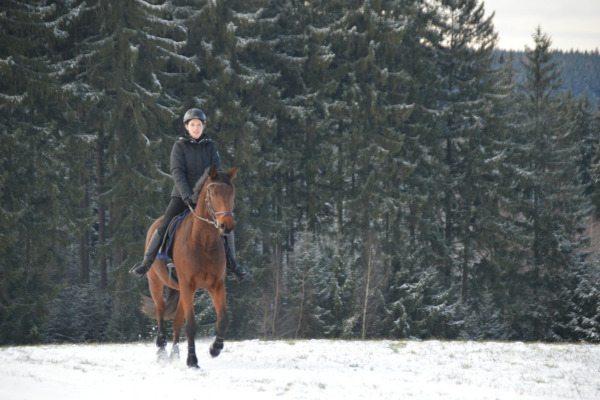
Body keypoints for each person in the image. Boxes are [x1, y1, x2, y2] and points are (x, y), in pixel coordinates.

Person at [130, 108, 250, 282]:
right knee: (164, 225)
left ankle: (233, 267)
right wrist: (187, 196)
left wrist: (209, 195)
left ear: (203, 127)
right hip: (182, 196)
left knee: (225, 224)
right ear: (186, 127)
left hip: (207, 198)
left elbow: (215, 173)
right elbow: (177, 172)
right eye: (192, 125)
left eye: (199, 125)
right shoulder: (179, 146)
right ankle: (145, 264)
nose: (196, 128)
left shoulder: (210, 146)